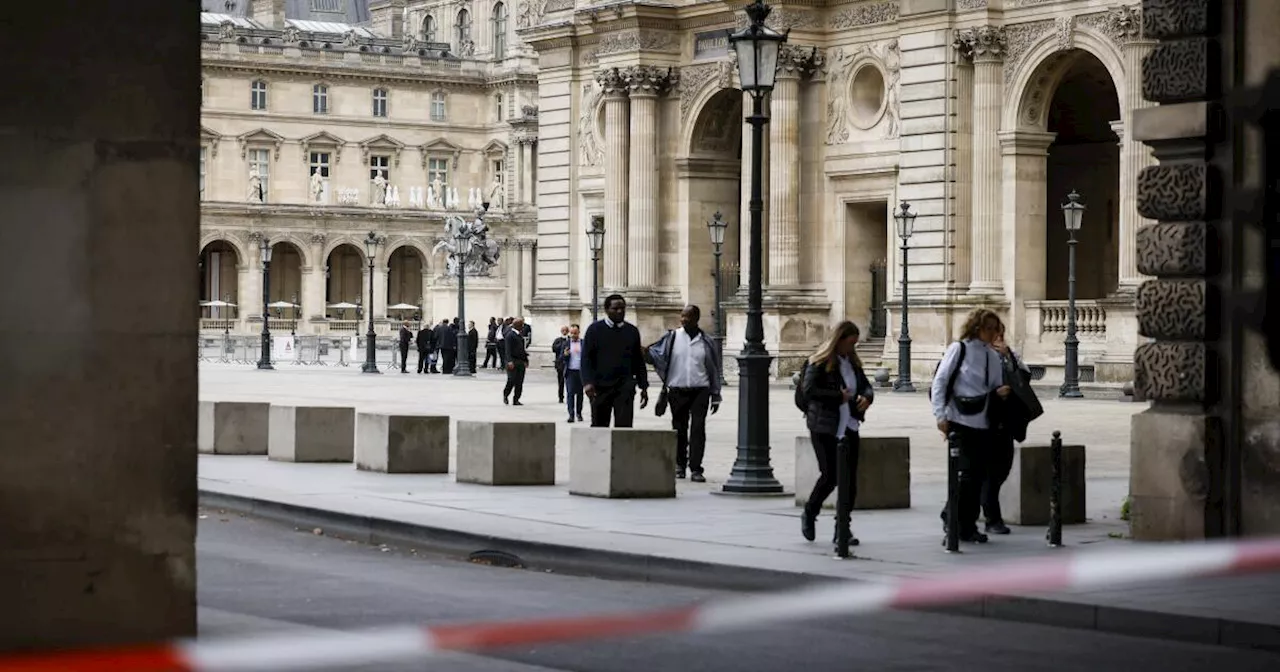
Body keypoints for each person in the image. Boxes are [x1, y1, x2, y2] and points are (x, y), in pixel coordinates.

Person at [930, 308, 1011, 545]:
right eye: (989, 328)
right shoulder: (959, 348)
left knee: (977, 478)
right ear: (977, 328)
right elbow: (941, 381)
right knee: (964, 476)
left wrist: (1001, 392)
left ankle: (967, 524)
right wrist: (940, 415)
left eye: (996, 329)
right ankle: (955, 523)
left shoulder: (993, 356)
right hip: (960, 419)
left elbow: (996, 385)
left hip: (984, 422)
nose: (993, 333)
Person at [799, 321, 874, 548]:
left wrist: (867, 397)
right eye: (850, 343)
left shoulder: (852, 363)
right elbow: (809, 391)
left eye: (855, 344)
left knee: (849, 481)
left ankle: (842, 527)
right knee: (830, 475)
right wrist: (836, 396)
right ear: (839, 340)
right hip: (825, 426)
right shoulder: (818, 362)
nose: (852, 347)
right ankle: (810, 513)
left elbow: (866, 386)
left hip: (849, 425)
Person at [646, 305, 722, 482]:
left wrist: (716, 394)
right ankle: (679, 464)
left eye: (687, 316)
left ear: (696, 318)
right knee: (679, 429)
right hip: (677, 389)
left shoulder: (706, 341)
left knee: (698, 429)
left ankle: (696, 468)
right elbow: (656, 355)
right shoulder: (672, 338)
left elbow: (713, 369)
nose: (683, 319)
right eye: (682, 316)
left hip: (700, 390)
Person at [982, 323, 1042, 535]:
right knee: (986, 473)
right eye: (994, 333)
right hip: (983, 421)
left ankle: (953, 513)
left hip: (1006, 420)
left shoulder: (1008, 355)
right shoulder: (974, 354)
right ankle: (992, 518)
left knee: (1001, 469)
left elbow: (1024, 377)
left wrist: (1009, 357)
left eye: (1001, 334)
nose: (998, 338)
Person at [581, 294, 649, 427]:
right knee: (599, 427)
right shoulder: (594, 330)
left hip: (624, 387)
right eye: (615, 308)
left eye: (622, 308)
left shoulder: (632, 331)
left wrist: (643, 386)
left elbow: (638, 361)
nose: (620, 311)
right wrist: (587, 382)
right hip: (600, 388)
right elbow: (586, 358)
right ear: (606, 310)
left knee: (624, 428)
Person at [560, 324, 585, 422]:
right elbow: (560, 358)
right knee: (570, 393)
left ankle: (579, 413)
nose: (573, 335)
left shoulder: (583, 343)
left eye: (575, 333)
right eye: (572, 333)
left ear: (579, 333)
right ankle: (571, 414)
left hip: (581, 372)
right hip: (570, 371)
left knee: (580, 394)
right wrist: (565, 355)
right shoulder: (566, 343)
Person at [503, 317, 529, 405]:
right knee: (511, 379)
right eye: (521, 325)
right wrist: (509, 361)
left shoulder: (519, 335)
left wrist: (525, 360)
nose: (523, 326)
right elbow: (507, 350)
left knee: (519, 381)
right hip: (513, 361)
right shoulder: (510, 335)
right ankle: (506, 394)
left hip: (520, 361)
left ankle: (516, 399)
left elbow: (522, 350)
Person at [552, 326, 569, 404]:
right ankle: (561, 397)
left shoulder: (570, 339)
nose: (564, 332)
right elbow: (554, 349)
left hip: (568, 363)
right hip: (560, 363)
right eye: (563, 330)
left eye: (566, 330)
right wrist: (562, 344)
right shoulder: (558, 340)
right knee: (561, 381)